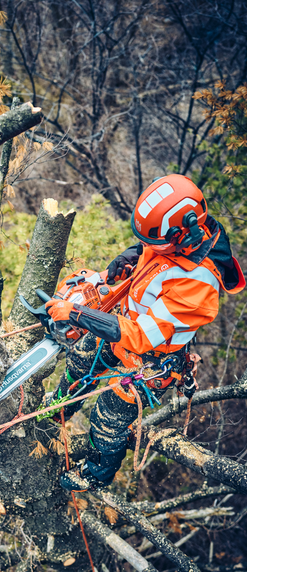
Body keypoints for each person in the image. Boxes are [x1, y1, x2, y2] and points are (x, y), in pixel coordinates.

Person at [43, 174, 246, 491]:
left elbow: (140, 335)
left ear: (183, 234)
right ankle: (59, 408)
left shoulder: (198, 285)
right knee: (82, 358)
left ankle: (96, 474)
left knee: (107, 417)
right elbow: (152, 250)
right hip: (124, 325)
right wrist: (130, 256)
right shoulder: (177, 239)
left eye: (154, 243)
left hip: (152, 358)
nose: (149, 246)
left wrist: (77, 313)